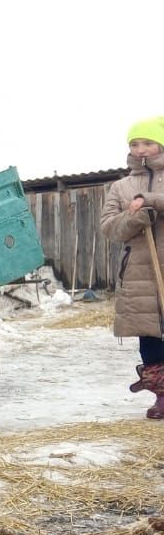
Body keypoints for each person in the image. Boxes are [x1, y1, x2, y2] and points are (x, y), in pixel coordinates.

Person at [101, 116, 164, 418]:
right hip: (140, 274)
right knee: (150, 339)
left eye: (148, 143)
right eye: (135, 143)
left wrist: (151, 200)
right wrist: (135, 219)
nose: (141, 149)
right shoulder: (121, 186)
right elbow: (109, 228)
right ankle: (163, 396)